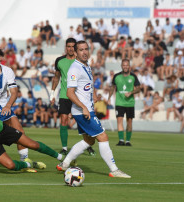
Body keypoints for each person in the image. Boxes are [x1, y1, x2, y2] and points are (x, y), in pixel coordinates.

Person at [56, 40, 131, 178]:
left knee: (89, 141)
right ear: (76, 52)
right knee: (103, 136)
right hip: (83, 111)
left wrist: (94, 95)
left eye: (86, 49)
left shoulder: (86, 65)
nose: (84, 52)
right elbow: (69, 93)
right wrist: (83, 108)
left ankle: (64, 164)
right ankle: (114, 170)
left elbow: (87, 84)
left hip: (84, 109)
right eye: (81, 50)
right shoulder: (75, 69)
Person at [50, 38, 95, 156]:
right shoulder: (59, 61)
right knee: (64, 121)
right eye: (68, 46)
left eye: (72, 46)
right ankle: (64, 148)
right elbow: (56, 77)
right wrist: (52, 93)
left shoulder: (80, 61)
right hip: (65, 95)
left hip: (79, 96)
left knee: (84, 122)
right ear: (66, 47)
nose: (70, 48)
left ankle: (88, 144)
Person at [108, 59, 141, 146]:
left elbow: (138, 88)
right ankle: (121, 140)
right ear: (121, 66)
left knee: (129, 121)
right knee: (119, 120)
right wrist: (109, 98)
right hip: (119, 103)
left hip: (130, 103)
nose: (125, 67)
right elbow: (112, 88)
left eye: (127, 65)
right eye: (124, 65)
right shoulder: (116, 76)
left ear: (129, 66)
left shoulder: (133, 76)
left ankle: (128, 141)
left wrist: (131, 92)